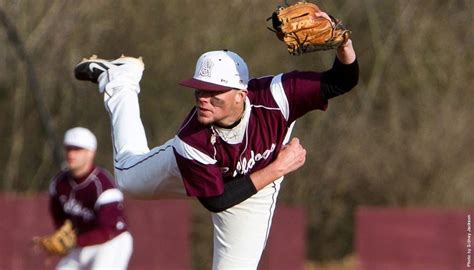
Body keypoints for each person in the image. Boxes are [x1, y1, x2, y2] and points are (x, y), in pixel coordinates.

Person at [74, 13, 358, 269]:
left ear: (241, 94)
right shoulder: (192, 138)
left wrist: (343, 41)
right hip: (217, 175)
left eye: (214, 92)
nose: (203, 99)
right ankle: (121, 80)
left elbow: (341, 81)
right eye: (199, 90)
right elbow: (216, 199)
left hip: (253, 193)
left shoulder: (278, 95)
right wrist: (278, 168)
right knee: (128, 180)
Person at [47, 127, 133, 270]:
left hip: (111, 243)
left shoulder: (103, 184)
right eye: (68, 149)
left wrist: (74, 241)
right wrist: (62, 237)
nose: (71, 154)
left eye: (77, 149)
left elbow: (108, 230)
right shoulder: (59, 183)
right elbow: (58, 217)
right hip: (81, 243)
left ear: (90, 153)